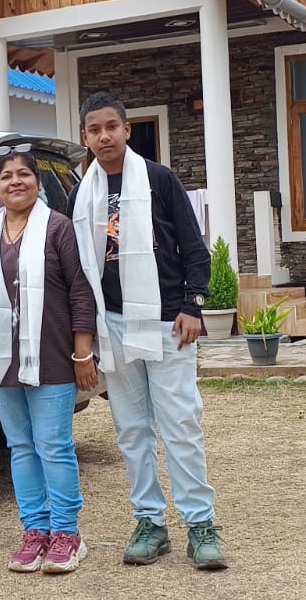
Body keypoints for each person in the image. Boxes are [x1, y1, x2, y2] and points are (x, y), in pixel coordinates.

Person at [70, 92, 228, 571]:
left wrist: (192, 305)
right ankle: (150, 523)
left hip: (166, 325)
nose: (104, 137)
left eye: (111, 127)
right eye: (94, 130)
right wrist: (87, 335)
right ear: (85, 137)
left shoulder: (159, 180)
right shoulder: (83, 193)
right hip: (112, 327)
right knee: (132, 431)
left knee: (180, 424)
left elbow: (194, 247)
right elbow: (80, 268)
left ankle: (200, 525)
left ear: (127, 129)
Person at [0, 149, 99, 574]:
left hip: (54, 356)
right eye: (6, 176)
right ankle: (34, 531)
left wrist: (83, 353)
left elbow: (81, 291)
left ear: (38, 184)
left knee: (53, 447)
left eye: (24, 174)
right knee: (20, 447)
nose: (15, 181)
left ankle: (66, 534)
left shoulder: (57, 228)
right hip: (1, 359)